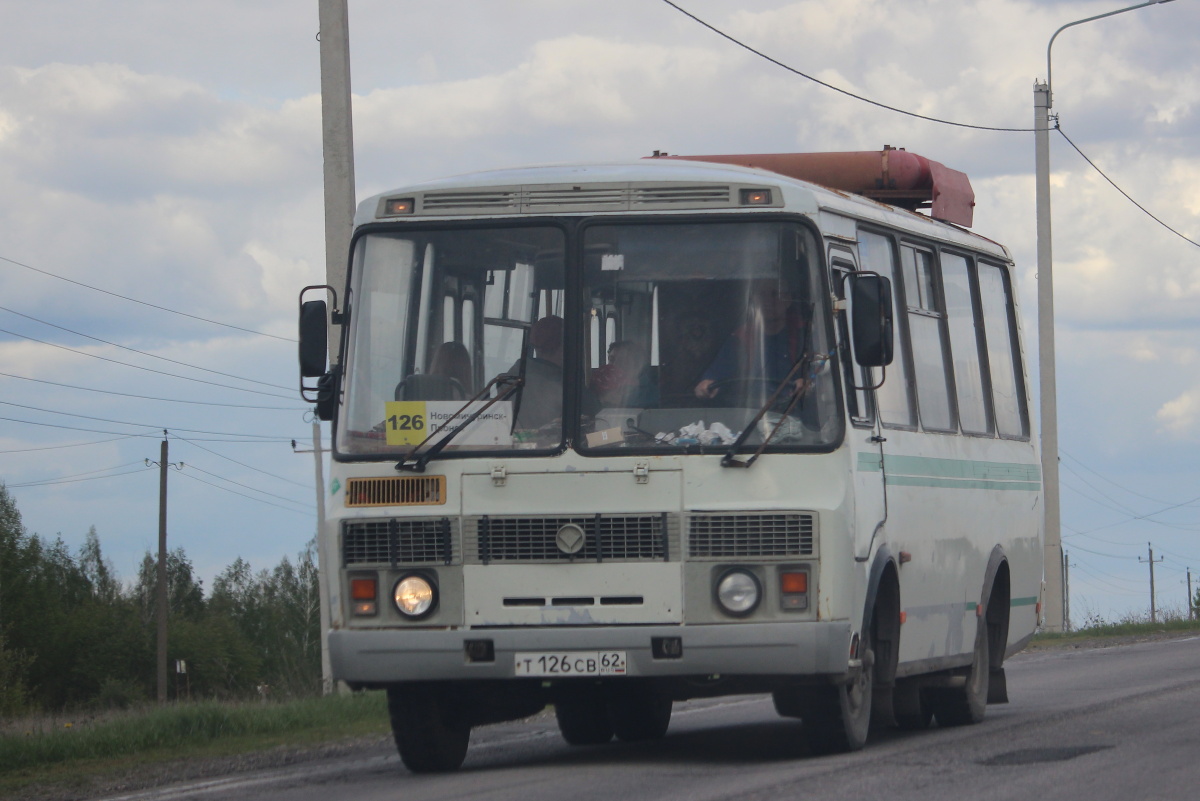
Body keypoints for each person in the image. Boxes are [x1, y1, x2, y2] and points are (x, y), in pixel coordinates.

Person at [694, 282, 810, 402]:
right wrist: (705, 385)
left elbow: (820, 372)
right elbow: (713, 378)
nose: (768, 301)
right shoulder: (740, 339)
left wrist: (807, 382)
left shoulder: (805, 333)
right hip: (751, 413)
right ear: (753, 299)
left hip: (795, 411)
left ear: (788, 300)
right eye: (761, 295)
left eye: (775, 295)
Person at [591, 340, 657, 408]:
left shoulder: (650, 393)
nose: (615, 364)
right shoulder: (601, 384)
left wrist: (617, 402)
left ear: (636, 364)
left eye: (622, 360)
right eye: (611, 359)